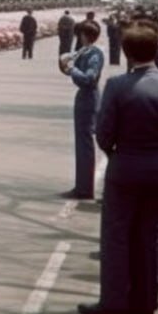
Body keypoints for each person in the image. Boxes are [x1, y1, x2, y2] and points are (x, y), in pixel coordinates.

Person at [79, 23, 158, 314]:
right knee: (150, 236)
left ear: (126, 53)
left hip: (125, 165)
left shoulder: (117, 86)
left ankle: (114, 300)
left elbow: (103, 133)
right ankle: (145, 300)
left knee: (117, 235)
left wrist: (117, 152)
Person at [60, 20, 105, 199]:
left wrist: (72, 69)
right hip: (84, 97)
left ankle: (85, 188)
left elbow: (89, 78)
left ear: (84, 35)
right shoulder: (87, 51)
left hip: (88, 98)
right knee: (81, 144)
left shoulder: (95, 54)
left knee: (84, 145)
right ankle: (81, 185)